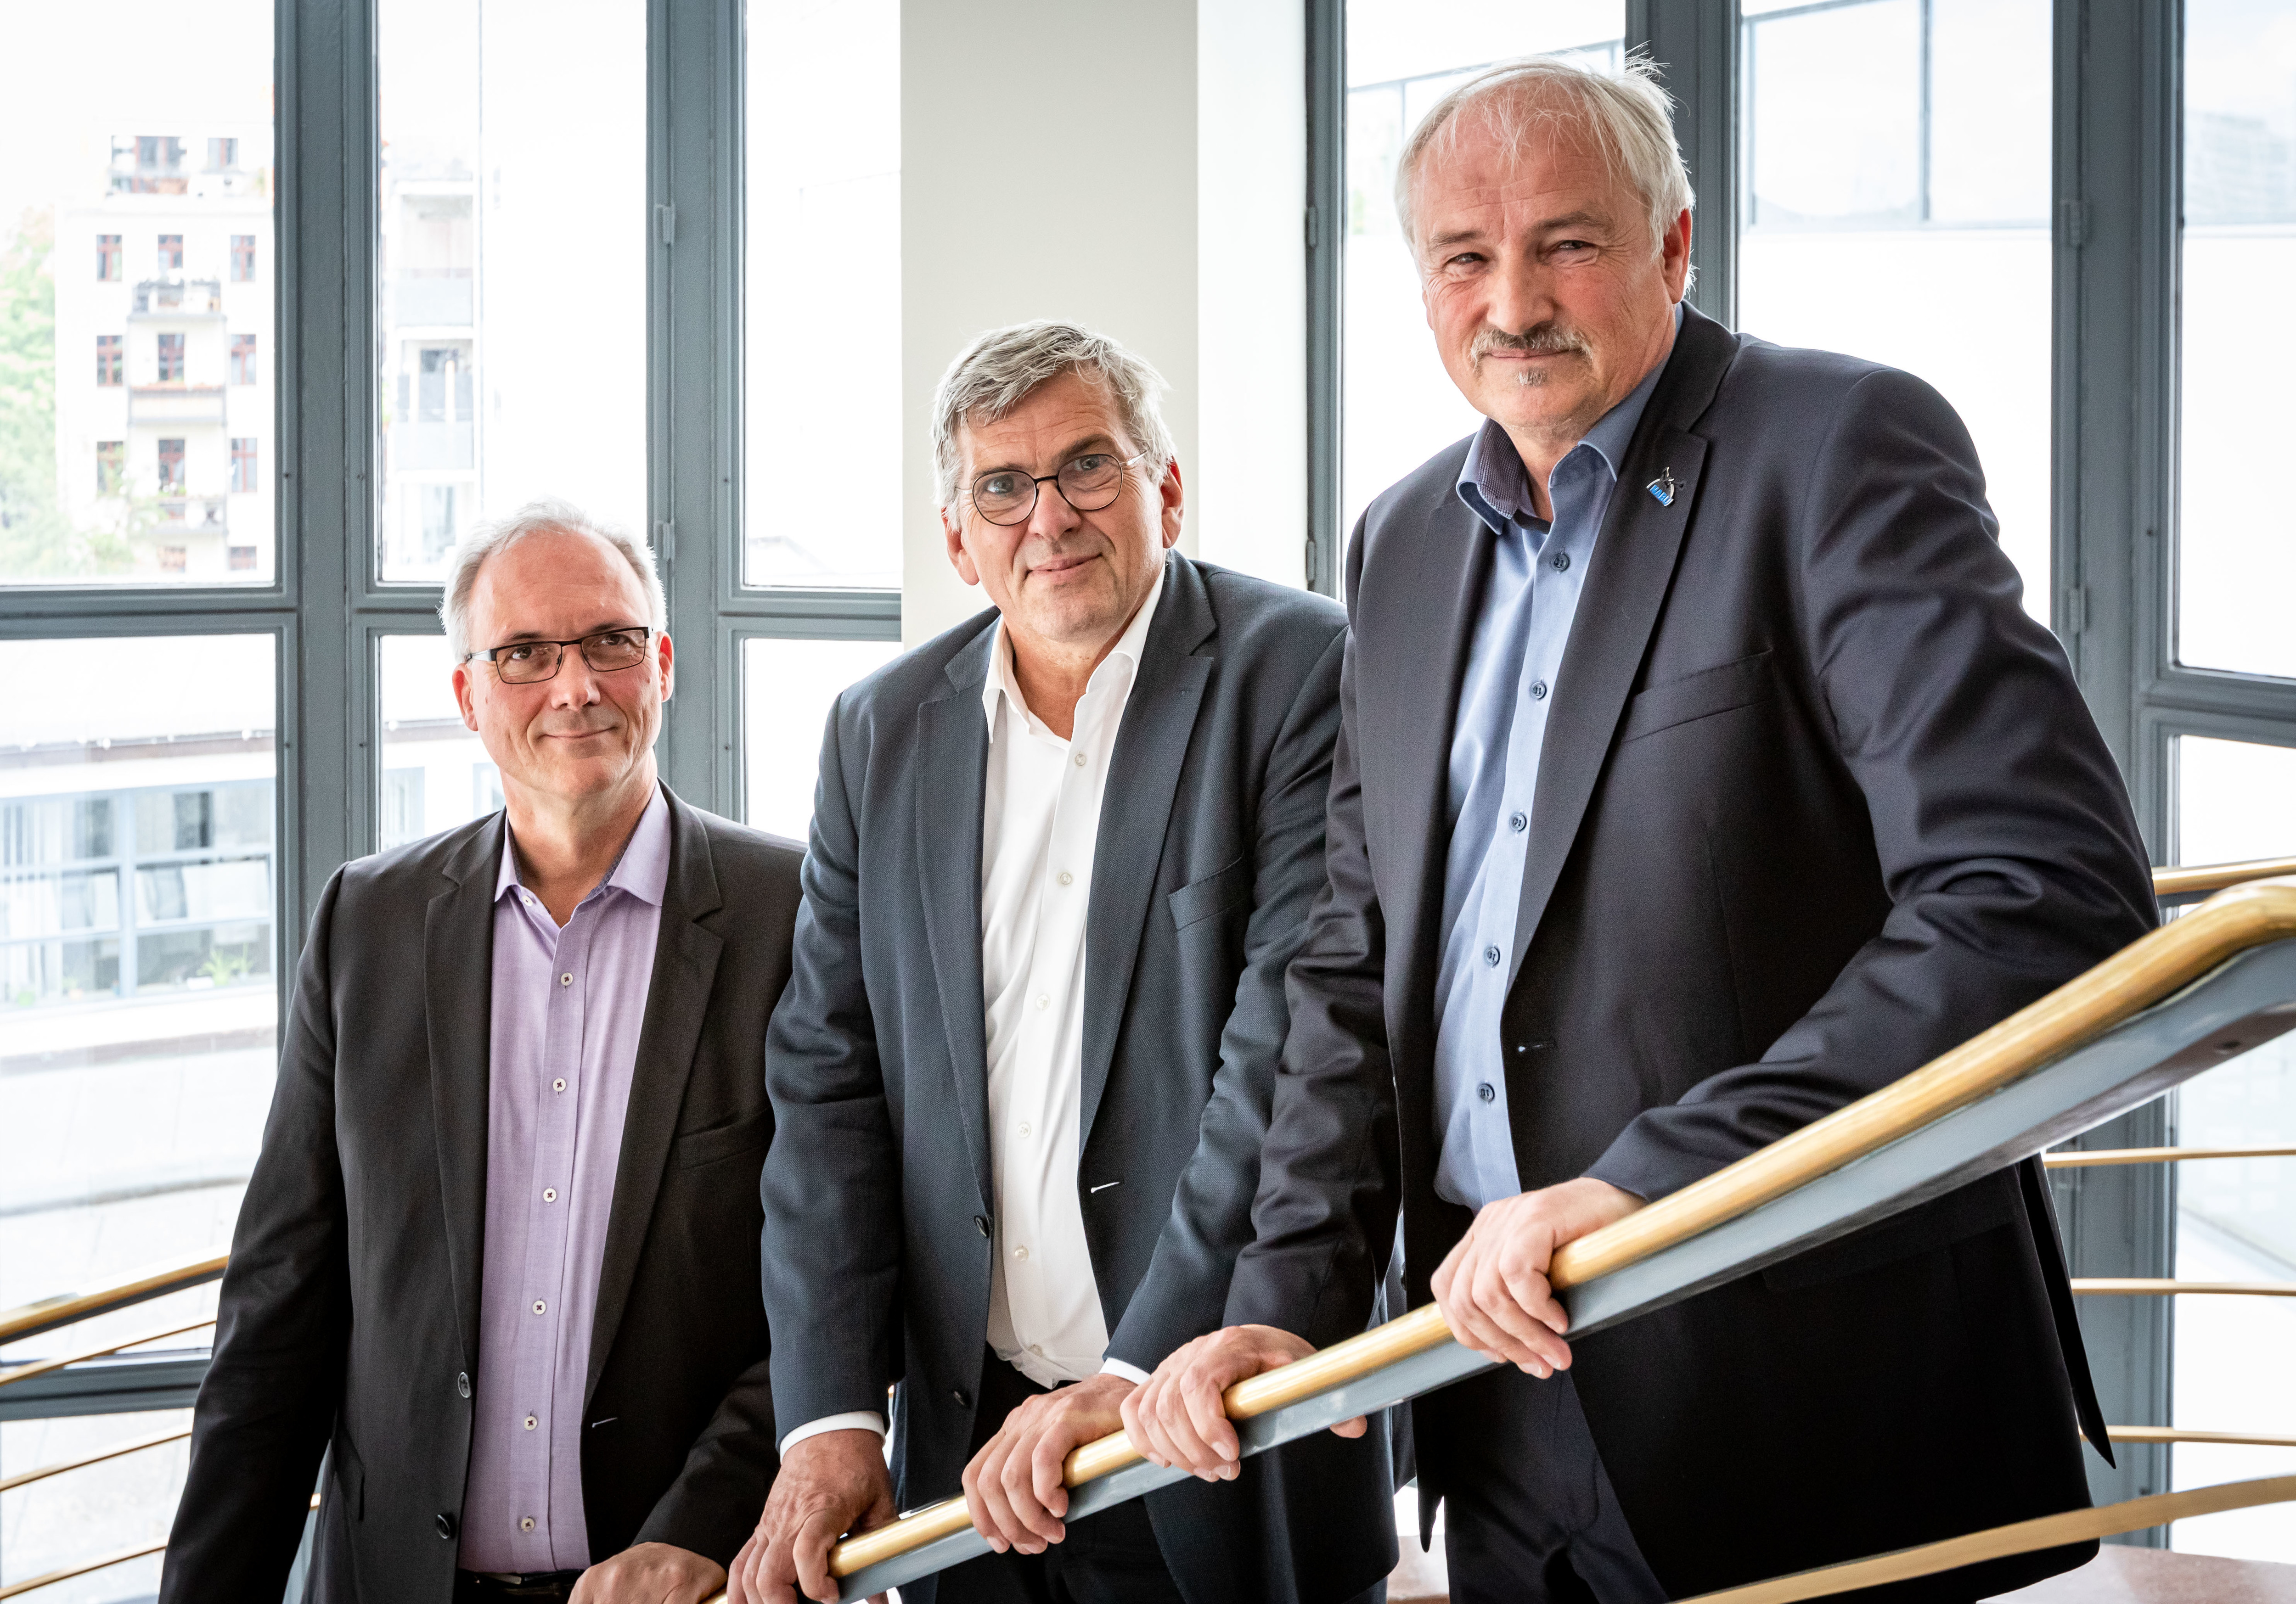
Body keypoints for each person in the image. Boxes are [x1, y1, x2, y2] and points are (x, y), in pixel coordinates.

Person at [1122, 55, 2158, 1604]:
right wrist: (1284, 1297)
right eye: (1464, 258)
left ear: (1675, 245)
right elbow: (1354, 968)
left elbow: (2040, 896)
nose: (1513, 302)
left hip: (1806, 1382)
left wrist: (1652, 1182)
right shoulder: (1401, 539)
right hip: (1494, 1382)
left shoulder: (1839, 446)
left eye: (1568, 243)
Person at [727, 323, 1395, 1604]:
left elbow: (1293, 1057)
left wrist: (1137, 1375)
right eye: (1003, 486)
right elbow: (826, 1087)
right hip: (973, 1465)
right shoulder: (877, 732)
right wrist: (831, 1418)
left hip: (1214, 1422)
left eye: (1089, 465)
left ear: (1167, 489)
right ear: (957, 539)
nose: (1050, 517)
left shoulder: (1302, 671)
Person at [161, 500, 804, 1604]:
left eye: (610, 641)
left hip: (680, 1586)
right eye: (524, 654)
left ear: (661, 664)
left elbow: (837, 1280)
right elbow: (279, 1309)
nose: (575, 686)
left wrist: (703, 1524)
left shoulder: (791, 916)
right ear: (468, 695)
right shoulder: (367, 924)